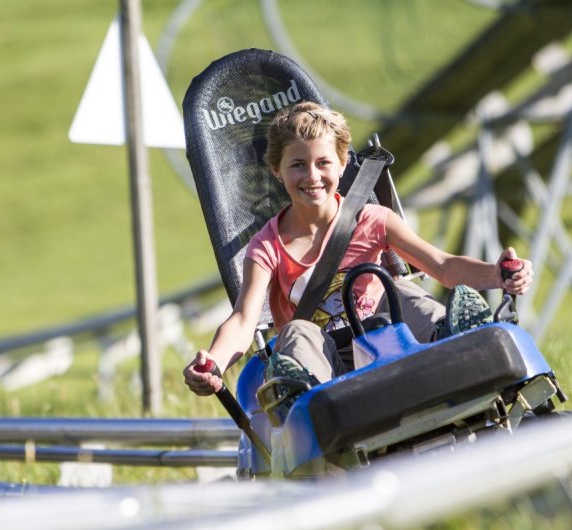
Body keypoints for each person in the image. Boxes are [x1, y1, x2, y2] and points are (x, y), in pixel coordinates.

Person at [183, 101, 533, 397]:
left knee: (400, 292)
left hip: (391, 341)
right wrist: (213, 361)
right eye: (297, 165)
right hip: (325, 364)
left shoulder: (373, 220)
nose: (312, 176)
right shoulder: (268, 246)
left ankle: (455, 336)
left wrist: (497, 274)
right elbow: (244, 320)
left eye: (323, 163)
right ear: (277, 170)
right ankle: (299, 392)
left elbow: (442, 266)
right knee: (294, 331)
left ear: (341, 164)